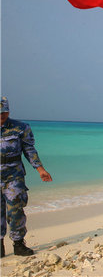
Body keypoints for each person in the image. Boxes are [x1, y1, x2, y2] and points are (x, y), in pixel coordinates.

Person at [1, 96, 52, 257]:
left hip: (13, 176)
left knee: (15, 209)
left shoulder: (20, 127)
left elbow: (29, 150)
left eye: (4, 112)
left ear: (8, 111)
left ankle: (18, 243)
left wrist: (40, 169)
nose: (1, 115)